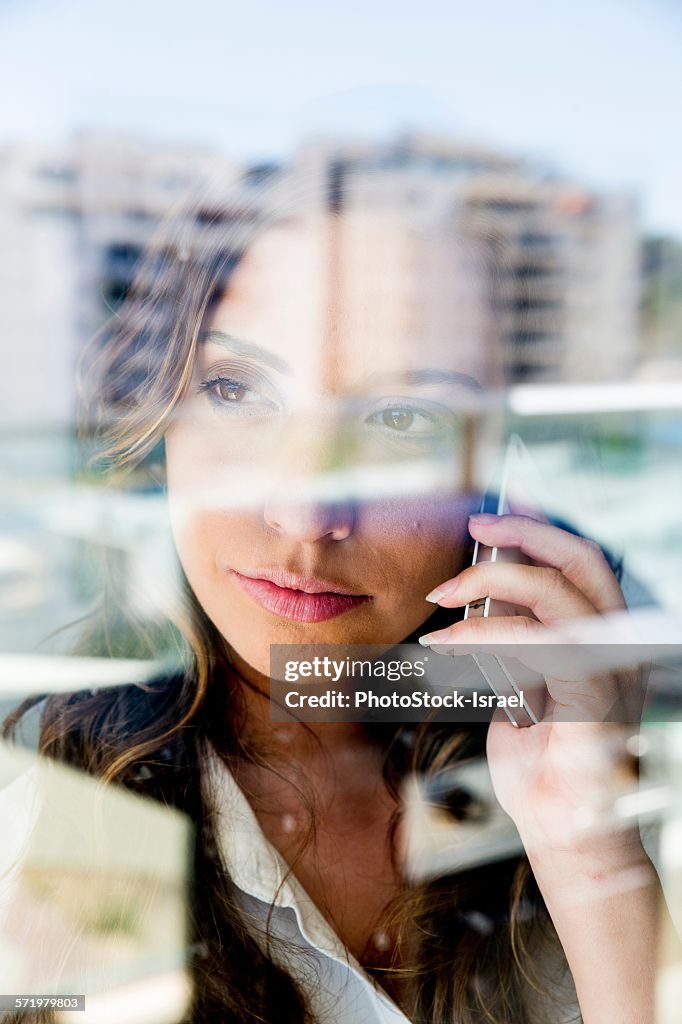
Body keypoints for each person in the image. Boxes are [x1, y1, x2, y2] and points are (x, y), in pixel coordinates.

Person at [2, 175, 662, 1024]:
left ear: (500, 482)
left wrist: (593, 855)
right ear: (161, 423)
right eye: (237, 390)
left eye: (403, 419)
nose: (306, 517)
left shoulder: (599, 766)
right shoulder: (32, 819)